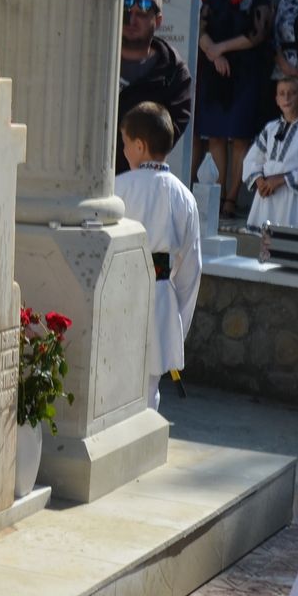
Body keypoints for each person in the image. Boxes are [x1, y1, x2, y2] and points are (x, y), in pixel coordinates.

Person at [116, 102, 200, 412]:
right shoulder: (184, 197)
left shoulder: (117, 188)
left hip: (118, 294)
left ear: (139, 145)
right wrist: (178, 322)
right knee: (149, 388)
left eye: (125, 144)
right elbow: (192, 270)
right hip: (162, 298)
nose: (123, 151)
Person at [195, 0, 271, 218]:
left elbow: (257, 34)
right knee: (215, 135)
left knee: (240, 137)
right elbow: (200, 28)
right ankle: (215, 194)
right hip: (216, 71)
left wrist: (220, 49)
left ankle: (231, 197)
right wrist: (212, 53)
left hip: (246, 72)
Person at [117, 0, 195, 174]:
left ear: (158, 21)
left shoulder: (174, 73)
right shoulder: (95, 58)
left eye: (141, 14)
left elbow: (169, 133)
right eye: (127, 13)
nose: (132, 21)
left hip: (143, 179)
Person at [243, 75, 298, 230]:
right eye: (282, 93)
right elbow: (252, 159)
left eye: (292, 93)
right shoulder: (270, 128)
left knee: (288, 241)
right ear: (276, 99)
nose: (286, 97)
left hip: (291, 200)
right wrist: (260, 180)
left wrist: (280, 180)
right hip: (265, 197)